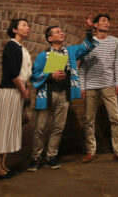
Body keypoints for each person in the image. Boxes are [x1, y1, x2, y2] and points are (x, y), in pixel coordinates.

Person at [27, 18, 96, 170]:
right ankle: (36, 158)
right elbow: (34, 75)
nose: (62, 33)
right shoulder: (42, 56)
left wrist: (89, 31)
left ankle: (51, 156)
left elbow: (87, 46)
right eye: (58, 32)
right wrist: (50, 75)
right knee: (40, 128)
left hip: (64, 94)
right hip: (47, 94)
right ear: (50, 38)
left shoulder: (70, 51)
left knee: (58, 127)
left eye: (61, 31)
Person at [80, 13, 118, 163]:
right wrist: (82, 86)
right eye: (103, 21)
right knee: (89, 119)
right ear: (95, 25)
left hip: (108, 84)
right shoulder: (88, 42)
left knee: (115, 118)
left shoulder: (115, 42)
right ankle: (91, 151)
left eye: (108, 21)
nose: (107, 23)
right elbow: (82, 66)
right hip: (90, 85)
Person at [0, 18, 32, 179]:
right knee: (2, 128)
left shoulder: (21, 48)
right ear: (14, 29)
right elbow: (12, 72)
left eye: (28, 25)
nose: (27, 28)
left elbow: (24, 72)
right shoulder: (11, 46)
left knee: (8, 129)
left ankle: (1, 164)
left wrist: (24, 88)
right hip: (10, 90)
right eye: (24, 25)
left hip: (17, 91)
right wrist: (22, 88)